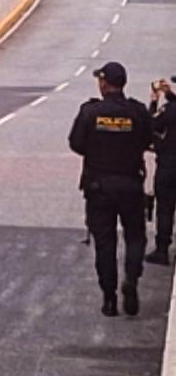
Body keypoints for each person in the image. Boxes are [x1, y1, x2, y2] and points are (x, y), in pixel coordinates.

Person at [69, 62, 152, 317]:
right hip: (130, 185)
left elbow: (76, 143)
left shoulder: (90, 112)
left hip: (99, 187)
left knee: (105, 243)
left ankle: (109, 298)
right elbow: (148, 140)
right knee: (135, 237)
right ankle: (132, 280)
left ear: (104, 83)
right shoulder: (137, 112)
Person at [146, 77, 176, 265]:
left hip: (170, 164)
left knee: (165, 208)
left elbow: (151, 125)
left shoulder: (170, 110)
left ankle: (162, 250)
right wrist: (169, 94)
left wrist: (155, 100)